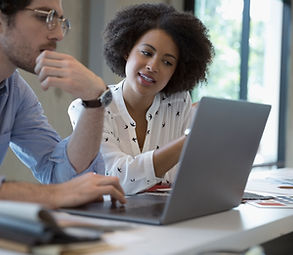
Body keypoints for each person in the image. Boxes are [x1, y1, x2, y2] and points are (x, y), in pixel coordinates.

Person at [68, 3, 214, 195]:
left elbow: (190, 174)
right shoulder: (88, 107)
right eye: (146, 53)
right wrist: (190, 139)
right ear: (127, 51)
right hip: (109, 216)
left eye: (167, 62)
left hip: (166, 216)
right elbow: (117, 178)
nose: (153, 66)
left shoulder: (179, 102)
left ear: (176, 71)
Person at [0, 0, 126, 207]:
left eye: (60, 21)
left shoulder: (15, 91)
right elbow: (61, 190)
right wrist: (51, 195)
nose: (58, 34)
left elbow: (62, 177)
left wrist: (95, 99)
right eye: (44, 16)